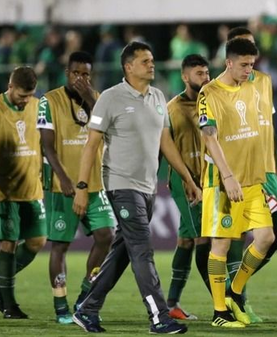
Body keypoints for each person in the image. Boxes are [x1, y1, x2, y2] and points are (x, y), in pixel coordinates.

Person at [70, 41, 200, 334]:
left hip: (147, 187)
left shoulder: (157, 97)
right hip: (121, 185)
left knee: (123, 253)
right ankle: (159, 316)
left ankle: (87, 308)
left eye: (152, 60)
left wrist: (188, 179)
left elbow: (166, 143)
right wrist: (81, 186)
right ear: (128, 67)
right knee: (142, 249)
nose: (151, 65)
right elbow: (91, 144)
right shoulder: (110, 99)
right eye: (145, 61)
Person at [198, 37, 275, 329]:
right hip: (223, 180)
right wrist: (228, 176)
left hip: (253, 179)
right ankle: (220, 311)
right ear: (228, 62)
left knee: (266, 237)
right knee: (220, 244)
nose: (248, 70)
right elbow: (209, 136)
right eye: (243, 65)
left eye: (252, 64)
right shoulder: (210, 92)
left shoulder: (251, 87)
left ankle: (235, 292)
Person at [37, 51, 115, 324]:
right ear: (66, 73)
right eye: (76, 73)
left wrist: (94, 100)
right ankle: (60, 304)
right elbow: (46, 146)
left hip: (95, 183)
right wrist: (64, 178)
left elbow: (110, 130)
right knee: (60, 245)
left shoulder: (99, 99)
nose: (81, 78)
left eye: (86, 74)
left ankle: (85, 293)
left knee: (106, 236)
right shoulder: (49, 101)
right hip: (63, 186)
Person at [223, 26, 277, 324]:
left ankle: (234, 291)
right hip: (237, 170)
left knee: (275, 235)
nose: (250, 57)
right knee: (233, 238)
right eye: (244, 50)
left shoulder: (264, 82)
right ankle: (236, 301)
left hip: (267, 169)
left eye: (253, 49)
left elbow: (265, 127)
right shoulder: (223, 87)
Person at [0, 66, 46, 319]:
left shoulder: (38, 106)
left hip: (32, 188)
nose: (25, 100)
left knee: (38, 241)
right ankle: (9, 305)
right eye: (21, 96)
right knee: (9, 243)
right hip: (3, 190)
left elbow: (45, 141)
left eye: (29, 96)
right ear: (10, 86)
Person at [165, 54, 211, 320]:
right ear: (185, 77)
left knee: (185, 239)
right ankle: (224, 300)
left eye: (206, 73)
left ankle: (171, 303)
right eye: (198, 73)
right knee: (202, 238)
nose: (205, 78)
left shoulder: (213, 102)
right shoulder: (172, 109)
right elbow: (163, 146)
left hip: (209, 182)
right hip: (185, 182)